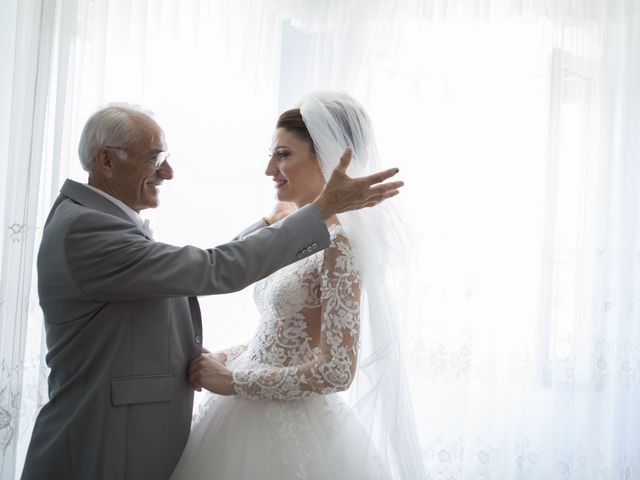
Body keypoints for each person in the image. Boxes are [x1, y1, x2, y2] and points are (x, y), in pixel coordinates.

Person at [20, 103, 404, 480]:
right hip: (99, 438)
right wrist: (316, 212)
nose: (168, 171)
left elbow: (325, 360)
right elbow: (208, 269)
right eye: (155, 158)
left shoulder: (338, 248)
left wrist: (229, 367)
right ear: (107, 160)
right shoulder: (89, 229)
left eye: (282, 155)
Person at [171, 92, 426, 479]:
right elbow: (288, 335)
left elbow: (338, 370)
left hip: (291, 431)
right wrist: (230, 355)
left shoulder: (339, 246)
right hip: (247, 417)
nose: (270, 168)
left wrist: (236, 380)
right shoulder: (299, 235)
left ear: (324, 156)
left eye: (283, 154)